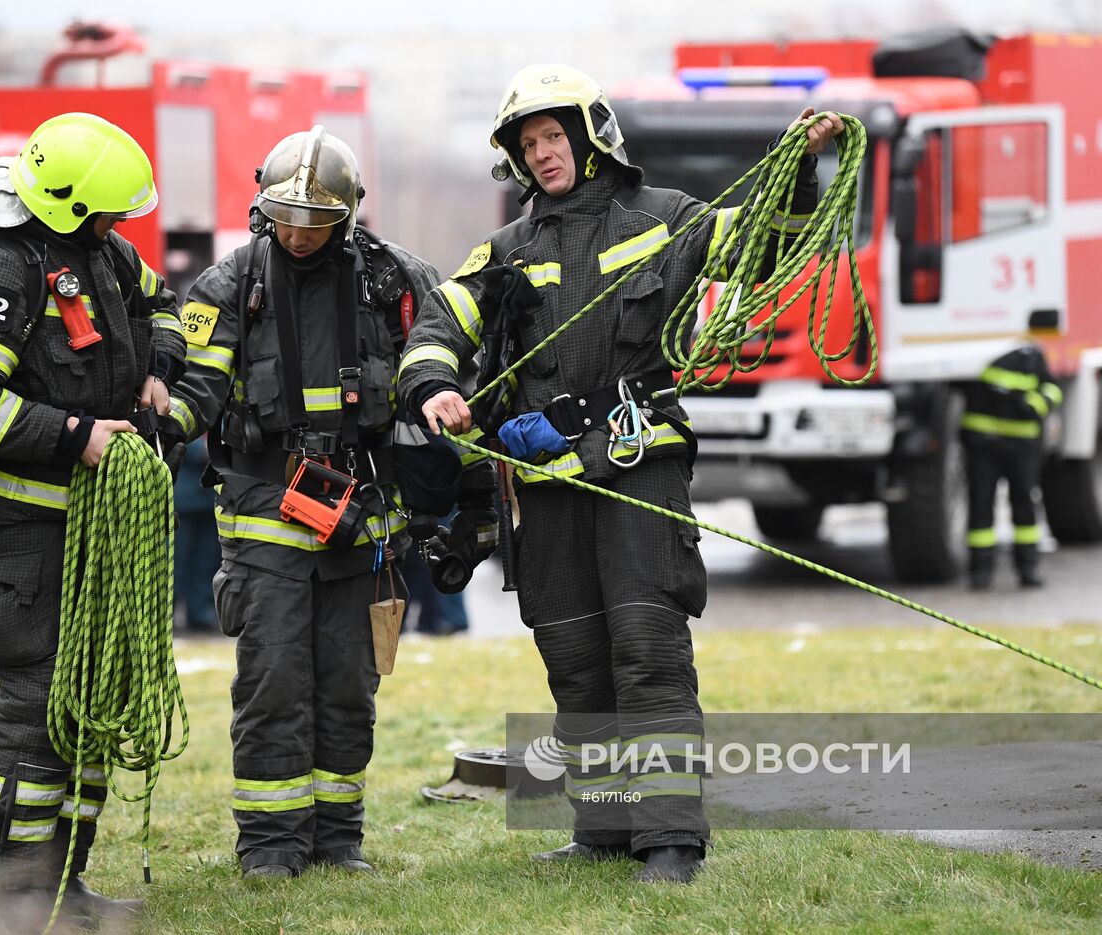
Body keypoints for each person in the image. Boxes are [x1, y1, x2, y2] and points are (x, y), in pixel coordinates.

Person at [399, 64, 844, 883]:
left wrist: (797, 162)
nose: (543, 154)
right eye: (528, 144)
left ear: (589, 134)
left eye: (552, 137)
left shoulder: (665, 218)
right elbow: (440, 321)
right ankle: (601, 828)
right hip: (545, 482)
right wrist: (433, 386)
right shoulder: (504, 251)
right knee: (574, 656)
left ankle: (670, 839)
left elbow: (765, 242)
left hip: (638, 466)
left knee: (646, 647)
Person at [0, 112, 185, 930]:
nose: (121, 225)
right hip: (26, 541)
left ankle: (66, 884)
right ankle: (9, 892)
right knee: (35, 712)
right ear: (70, 206)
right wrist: (77, 437)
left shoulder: (104, 254)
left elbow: (163, 304)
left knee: (88, 710)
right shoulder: (3, 268)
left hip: (99, 538)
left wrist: (159, 370)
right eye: (109, 212)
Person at [160, 126, 440, 879]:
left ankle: (338, 838)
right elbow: (195, 390)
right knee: (274, 680)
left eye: (316, 220)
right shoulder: (229, 285)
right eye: (287, 217)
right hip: (264, 513)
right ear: (263, 208)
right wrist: (153, 429)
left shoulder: (394, 281)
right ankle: (270, 845)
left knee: (348, 685)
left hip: (359, 516)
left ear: (347, 215)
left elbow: (442, 358)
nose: (299, 233)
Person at [960, 344, 1063, 590]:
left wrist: (1033, 406)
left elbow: (1052, 389)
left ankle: (1028, 568)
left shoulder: (1030, 355)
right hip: (984, 445)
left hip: (1022, 447)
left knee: (1025, 507)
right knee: (981, 506)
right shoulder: (970, 351)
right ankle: (981, 571)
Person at [173, 435, 219, 631]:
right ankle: (169, 612)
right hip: (184, 497)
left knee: (206, 561)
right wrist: (206, 450)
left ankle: (200, 612)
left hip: (211, 499)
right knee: (177, 561)